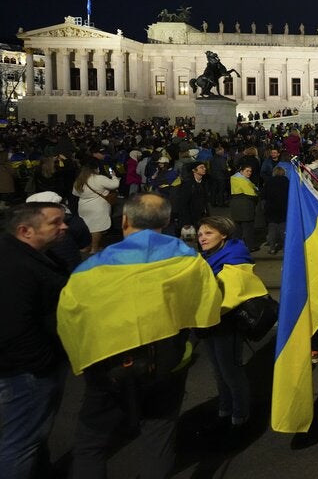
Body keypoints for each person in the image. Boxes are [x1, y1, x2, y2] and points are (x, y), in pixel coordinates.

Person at [57, 193, 222, 478]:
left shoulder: (90, 269)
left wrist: (82, 360)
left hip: (107, 365)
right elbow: (207, 309)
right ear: (168, 220)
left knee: (91, 444)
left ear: (124, 220)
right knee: (158, 438)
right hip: (167, 363)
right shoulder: (189, 260)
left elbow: (70, 320)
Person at [0, 202, 70, 478]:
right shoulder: (14, 267)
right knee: (20, 443)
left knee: (33, 435)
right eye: (55, 222)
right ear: (25, 230)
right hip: (26, 373)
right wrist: (45, 363)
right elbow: (12, 327)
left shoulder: (29, 255)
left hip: (29, 368)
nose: (64, 226)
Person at [197, 216, 270, 433]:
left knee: (230, 371)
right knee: (219, 370)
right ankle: (224, 408)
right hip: (208, 322)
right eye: (200, 234)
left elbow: (231, 294)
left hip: (226, 323)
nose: (202, 238)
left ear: (224, 234)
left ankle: (240, 415)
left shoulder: (235, 256)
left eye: (208, 233)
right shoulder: (210, 256)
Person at [71, 160, 120, 254]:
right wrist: (113, 176)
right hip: (98, 206)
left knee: (87, 227)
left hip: (83, 206)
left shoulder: (79, 180)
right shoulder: (99, 178)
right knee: (96, 228)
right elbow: (115, 185)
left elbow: (75, 193)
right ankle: (94, 248)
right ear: (95, 169)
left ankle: (88, 246)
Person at [229, 163, 259, 252]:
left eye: (250, 171)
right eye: (247, 171)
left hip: (235, 206)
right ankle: (250, 246)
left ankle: (235, 246)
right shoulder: (243, 181)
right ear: (241, 171)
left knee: (237, 229)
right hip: (245, 207)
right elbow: (252, 194)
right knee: (248, 229)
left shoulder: (234, 179)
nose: (249, 173)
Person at [261, 166, 289, 254]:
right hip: (284, 207)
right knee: (283, 228)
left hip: (271, 208)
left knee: (272, 228)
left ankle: (272, 248)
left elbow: (264, 195)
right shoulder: (287, 182)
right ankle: (286, 248)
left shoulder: (269, 182)